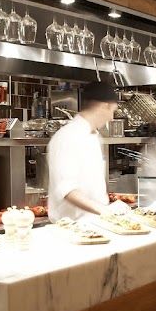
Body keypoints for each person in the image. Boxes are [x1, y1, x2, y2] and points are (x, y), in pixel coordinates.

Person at [47, 80, 120, 222]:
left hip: (96, 222)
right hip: (72, 226)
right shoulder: (67, 137)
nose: (111, 118)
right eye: (112, 111)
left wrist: (107, 210)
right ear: (104, 106)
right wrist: (104, 211)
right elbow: (67, 190)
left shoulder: (94, 137)